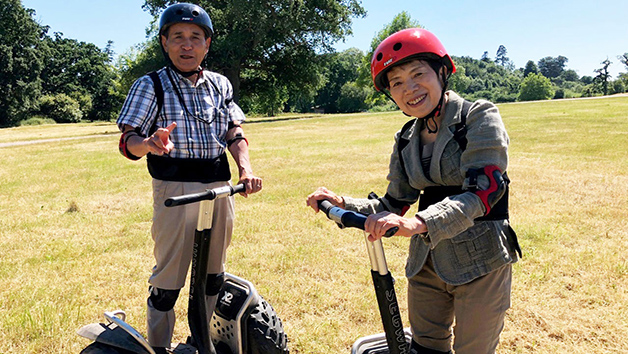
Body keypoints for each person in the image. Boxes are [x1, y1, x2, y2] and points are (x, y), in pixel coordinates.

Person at [306, 28, 521, 354]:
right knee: (426, 348)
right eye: (397, 82)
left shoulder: (477, 116)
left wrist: (420, 223)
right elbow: (394, 203)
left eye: (418, 74)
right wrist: (341, 203)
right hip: (427, 262)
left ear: (441, 72)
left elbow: (484, 190)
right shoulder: (406, 138)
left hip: (481, 261)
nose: (409, 88)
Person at [116, 3, 262, 352]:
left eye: (196, 37)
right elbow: (127, 142)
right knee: (169, 279)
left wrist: (246, 169)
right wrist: (149, 144)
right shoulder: (150, 85)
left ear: (207, 44)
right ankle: (159, 347)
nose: (187, 45)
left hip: (219, 186)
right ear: (164, 42)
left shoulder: (220, 84)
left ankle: (201, 340)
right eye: (178, 37)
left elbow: (233, 132)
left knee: (213, 274)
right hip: (175, 187)